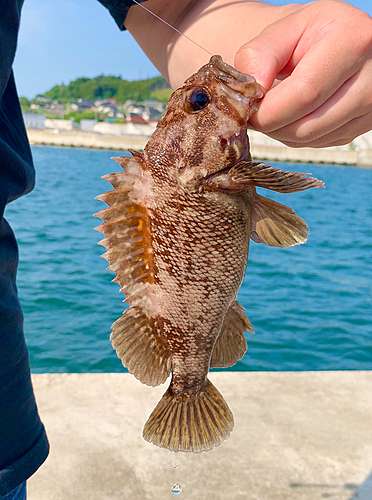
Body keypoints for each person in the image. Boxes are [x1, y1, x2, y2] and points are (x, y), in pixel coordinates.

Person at [0, 0, 371, 498]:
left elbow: (185, 11)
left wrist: (306, 55)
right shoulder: (213, 175)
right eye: (199, 103)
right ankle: (188, 378)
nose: (208, 94)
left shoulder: (209, 175)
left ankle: (188, 378)